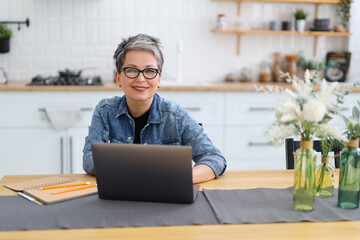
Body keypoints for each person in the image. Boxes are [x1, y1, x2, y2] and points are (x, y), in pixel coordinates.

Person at [83, 34, 226, 183]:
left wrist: (177, 178)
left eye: (150, 71)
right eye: (131, 70)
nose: (141, 79)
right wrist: (123, 175)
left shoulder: (176, 116)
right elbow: (89, 157)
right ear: (118, 78)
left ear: (159, 79)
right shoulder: (104, 110)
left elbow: (214, 158)